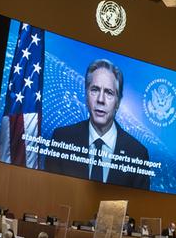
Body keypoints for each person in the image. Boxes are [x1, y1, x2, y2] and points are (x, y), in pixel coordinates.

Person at [46, 59, 152, 188]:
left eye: (109, 93)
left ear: (118, 102)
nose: (100, 100)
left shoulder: (138, 153)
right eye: (95, 90)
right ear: (86, 94)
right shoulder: (61, 138)